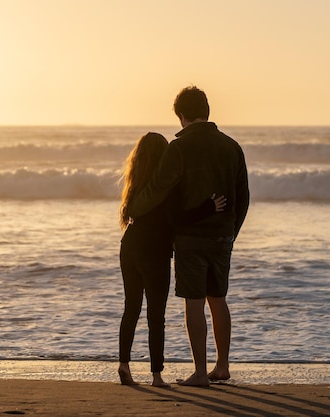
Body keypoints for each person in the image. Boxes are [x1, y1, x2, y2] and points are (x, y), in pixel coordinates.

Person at [129, 86, 250, 387]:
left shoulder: (178, 148)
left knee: (193, 303)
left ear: (181, 116)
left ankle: (200, 372)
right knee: (218, 299)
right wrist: (230, 233)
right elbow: (243, 197)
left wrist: (134, 207)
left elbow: (160, 189)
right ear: (207, 111)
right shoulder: (232, 147)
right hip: (223, 237)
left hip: (190, 237)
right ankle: (222, 366)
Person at [118, 132, 226, 387]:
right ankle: (156, 376)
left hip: (130, 245)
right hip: (155, 251)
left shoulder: (135, 184)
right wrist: (209, 208)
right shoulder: (165, 185)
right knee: (156, 314)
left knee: (131, 308)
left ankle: (124, 364)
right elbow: (178, 218)